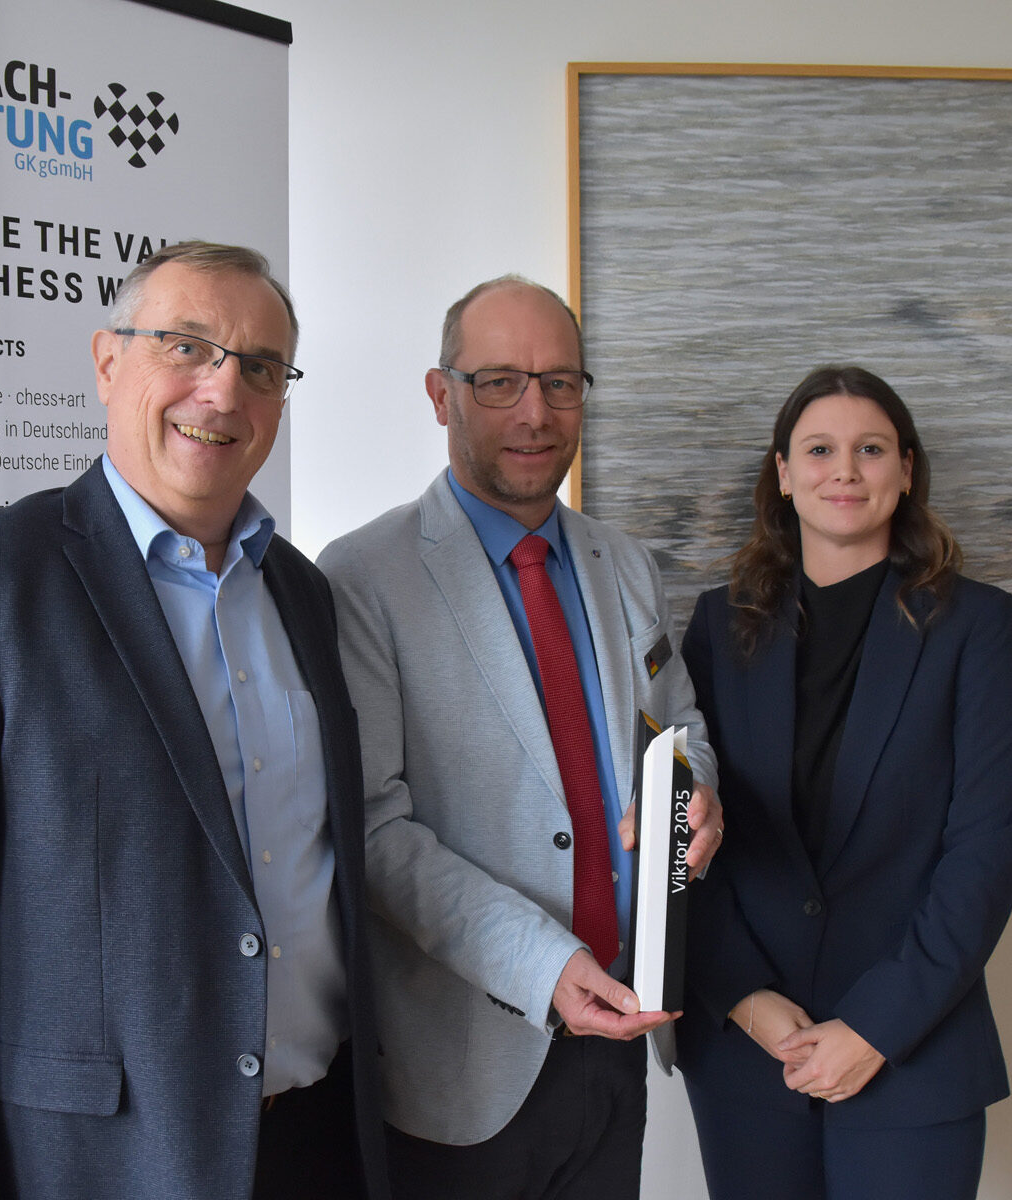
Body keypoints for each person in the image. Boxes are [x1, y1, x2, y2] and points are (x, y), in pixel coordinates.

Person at [0, 242, 389, 1200]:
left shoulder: (302, 592)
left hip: (320, 1143)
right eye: (187, 347)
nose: (223, 391)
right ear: (108, 362)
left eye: (262, 367)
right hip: (107, 1166)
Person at [317, 275, 721, 1200]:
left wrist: (695, 793)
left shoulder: (626, 564)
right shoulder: (363, 577)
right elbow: (372, 831)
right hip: (462, 1066)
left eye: (559, 383)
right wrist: (543, 965)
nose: (535, 413)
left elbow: (681, 727)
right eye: (499, 381)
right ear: (441, 394)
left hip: (620, 1039)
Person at [677, 365, 1012, 1199]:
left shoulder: (976, 626)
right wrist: (744, 998)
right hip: (748, 1056)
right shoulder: (718, 627)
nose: (844, 470)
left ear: (906, 470)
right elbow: (688, 827)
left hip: (915, 1049)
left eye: (871, 449)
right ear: (783, 473)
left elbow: (985, 851)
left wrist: (876, 1026)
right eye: (819, 450)